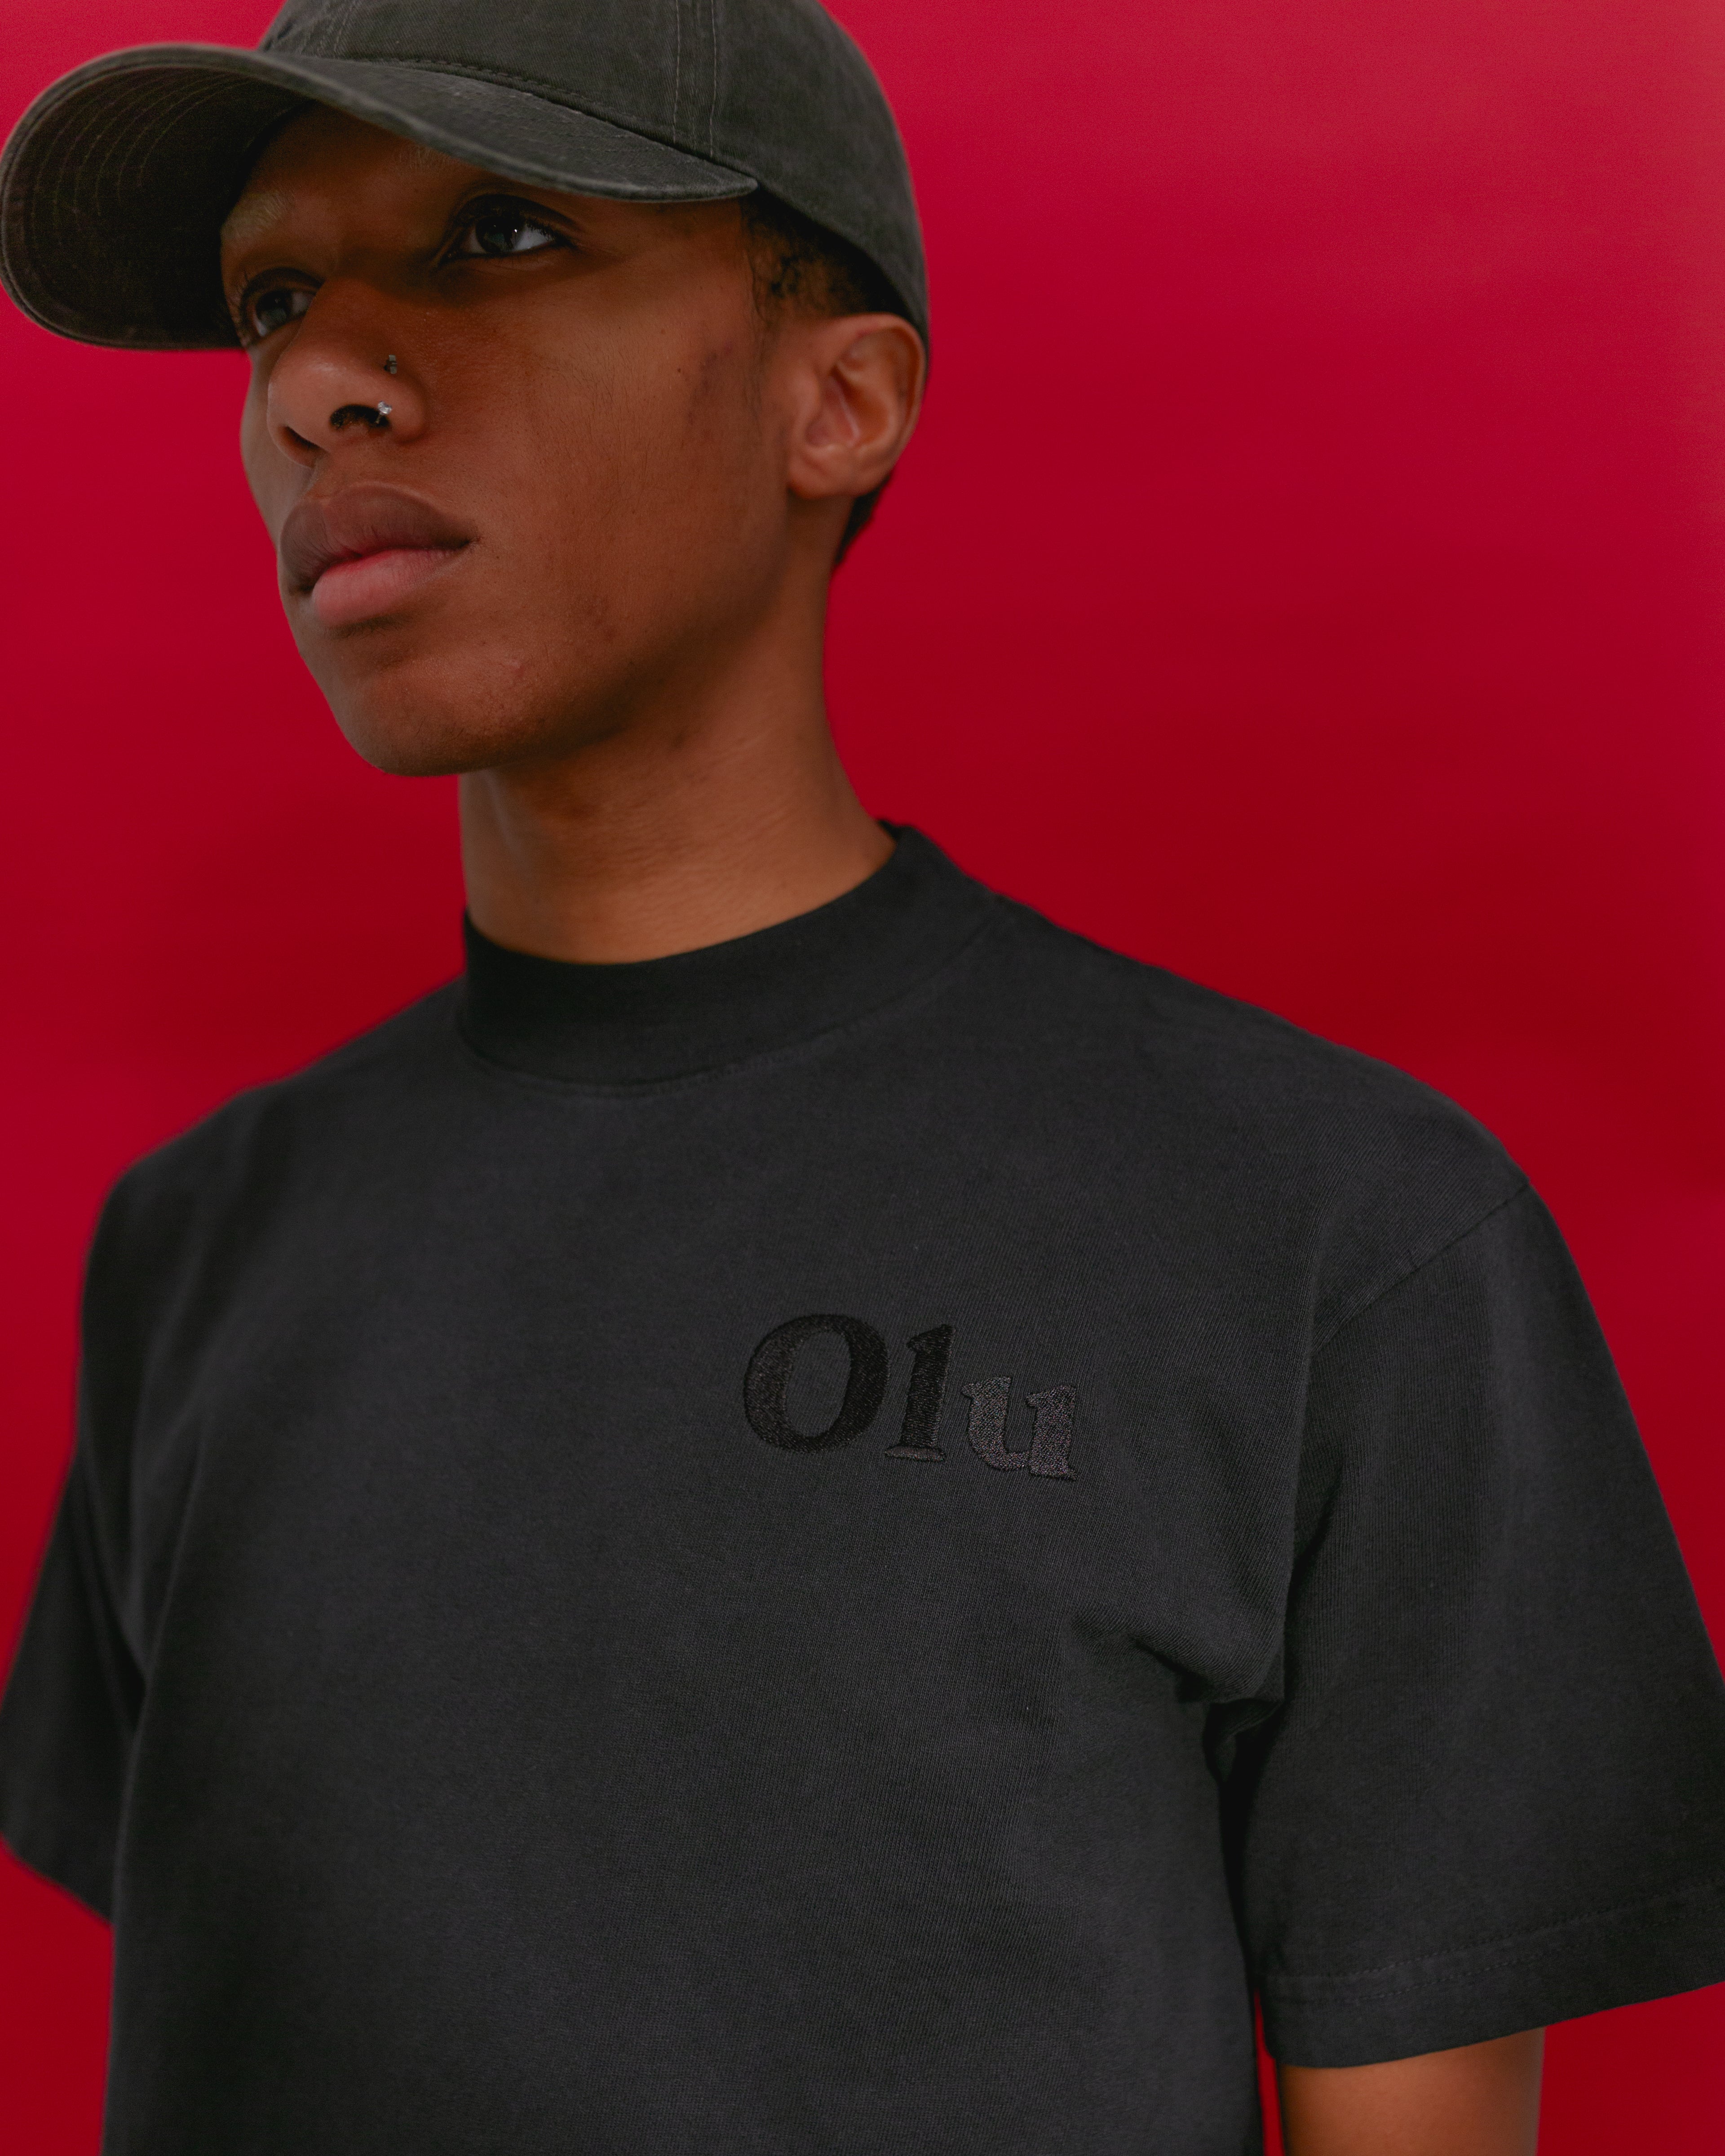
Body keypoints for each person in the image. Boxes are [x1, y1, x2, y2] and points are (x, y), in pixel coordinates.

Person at [1, 3, 1721, 2151]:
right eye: (273, 299)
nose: (315, 382)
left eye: (501, 236)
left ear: (841, 399)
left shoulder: (1335, 1240)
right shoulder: (194, 1250)